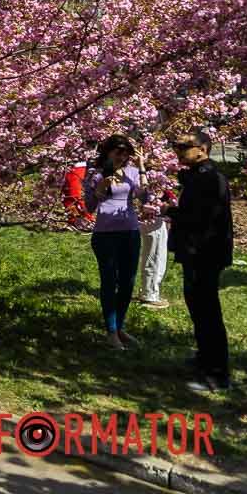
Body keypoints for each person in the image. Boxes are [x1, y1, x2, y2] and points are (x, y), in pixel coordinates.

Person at [168, 129, 234, 392]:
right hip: (195, 252)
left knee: (207, 311)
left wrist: (170, 211)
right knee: (197, 307)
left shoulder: (211, 179)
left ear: (203, 148)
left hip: (205, 254)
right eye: (177, 146)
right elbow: (185, 181)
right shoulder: (199, 175)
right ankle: (204, 357)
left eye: (185, 146)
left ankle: (218, 374)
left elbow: (200, 218)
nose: (179, 150)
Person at [84, 134, 149, 351]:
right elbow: (90, 206)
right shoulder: (95, 173)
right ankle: (111, 331)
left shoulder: (131, 172)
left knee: (128, 282)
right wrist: (100, 186)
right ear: (108, 152)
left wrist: (141, 168)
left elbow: (145, 198)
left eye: (126, 152)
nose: (122, 156)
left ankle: (119, 327)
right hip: (105, 235)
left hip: (130, 231)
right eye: (118, 151)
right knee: (109, 282)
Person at [137, 189, 174, 309]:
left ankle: (148, 291)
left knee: (156, 254)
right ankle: (149, 295)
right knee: (154, 256)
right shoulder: (149, 182)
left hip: (155, 218)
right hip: (153, 219)